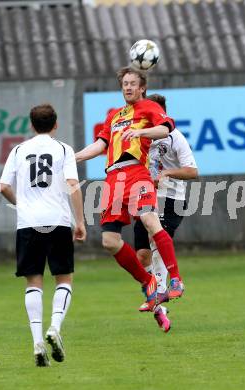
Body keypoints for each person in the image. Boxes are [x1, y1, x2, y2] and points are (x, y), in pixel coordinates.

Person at [76, 66, 183, 313]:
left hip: (137, 173)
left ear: (142, 87)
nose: (128, 87)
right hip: (113, 178)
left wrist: (142, 131)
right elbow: (100, 144)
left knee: (149, 220)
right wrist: (75, 157)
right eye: (125, 83)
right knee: (109, 241)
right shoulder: (114, 115)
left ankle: (176, 279)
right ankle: (148, 282)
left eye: (133, 83)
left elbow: (166, 128)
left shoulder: (149, 107)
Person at [0, 104, 86, 367]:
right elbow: (73, 186)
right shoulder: (63, 149)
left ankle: (37, 341)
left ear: (31, 124)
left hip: (28, 224)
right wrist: (80, 221)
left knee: (33, 282)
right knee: (64, 278)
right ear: (56, 124)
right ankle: (55, 328)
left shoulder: (18, 150)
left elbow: (3, 186)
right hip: (58, 222)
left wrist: (20, 204)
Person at [134, 94, 198, 331]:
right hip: (144, 196)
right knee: (142, 255)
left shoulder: (175, 138)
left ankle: (160, 292)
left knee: (158, 241)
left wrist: (167, 174)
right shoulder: (139, 136)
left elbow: (193, 171)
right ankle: (158, 298)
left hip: (172, 198)